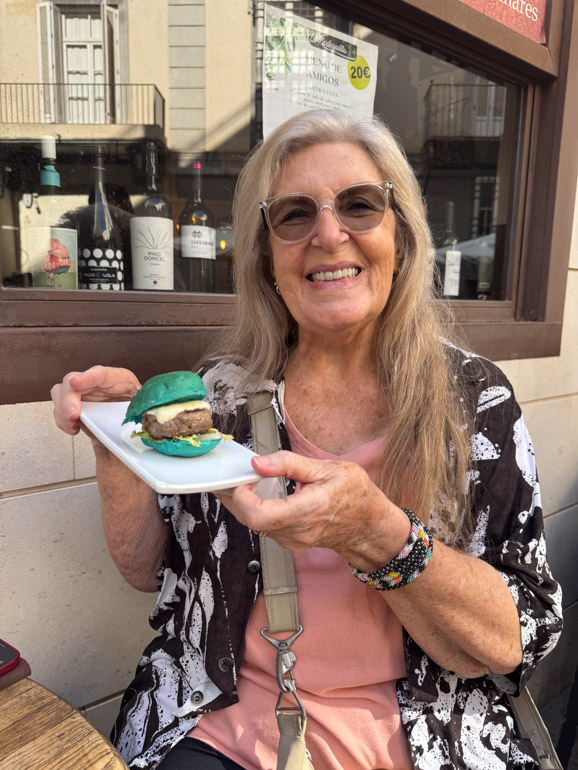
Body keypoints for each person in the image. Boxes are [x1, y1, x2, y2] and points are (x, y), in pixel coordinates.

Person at [51, 109, 563, 770]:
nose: (328, 234)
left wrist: (378, 533)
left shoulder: (475, 403)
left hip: (422, 736)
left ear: (402, 234)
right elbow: (153, 570)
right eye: (294, 215)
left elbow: (518, 637)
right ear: (266, 256)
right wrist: (116, 441)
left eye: (359, 205)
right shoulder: (222, 395)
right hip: (224, 724)